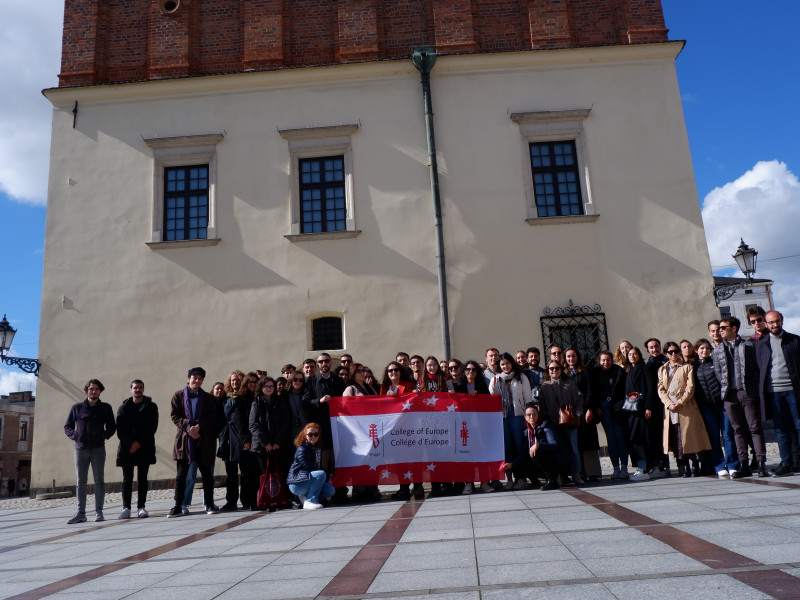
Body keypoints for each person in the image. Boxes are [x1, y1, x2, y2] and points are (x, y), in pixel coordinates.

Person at [712, 317, 768, 478]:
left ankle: (761, 462)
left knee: (754, 428)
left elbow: (757, 369)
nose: (720, 330)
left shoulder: (748, 345)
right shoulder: (717, 351)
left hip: (747, 392)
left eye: (723, 327)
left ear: (734, 328)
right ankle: (743, 463)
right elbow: (718, 373)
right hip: (729, 395)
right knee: (738, 430)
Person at [168, 367, 220, 517]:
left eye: (200, 378)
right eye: (194, 378)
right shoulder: (178, 395)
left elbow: (212, 417)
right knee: (182, 475)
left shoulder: (208, 398)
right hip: (184, 441)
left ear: (202, 381)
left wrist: (199, 427)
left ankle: (209, 504)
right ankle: (178, 505)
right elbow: (174, 416)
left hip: (203, 441)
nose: (197, 380)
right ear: (188, 379)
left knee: (207, 474)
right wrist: (188, 427)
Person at [64, 379, 116, 524]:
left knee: (99, 481)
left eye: (97, 389)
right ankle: (81, 513)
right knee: (81, 482)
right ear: (87, 390)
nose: (94, 391)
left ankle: (99, 512)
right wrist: (75, 436)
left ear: (100, 391)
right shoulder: (77, 407)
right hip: (80, 449)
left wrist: (103, 436)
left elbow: (112, 426)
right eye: (91, 389)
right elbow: (67, 426)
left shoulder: (105, 408)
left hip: (98, 449)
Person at [756, 311, 800, 476]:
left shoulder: (794, 341)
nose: (775, 325)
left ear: (782, 321)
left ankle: (797, 461)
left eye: (777, 321)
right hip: (773, 392)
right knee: (781, 429)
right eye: (771, 322)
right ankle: (786, 464)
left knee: (798, 425)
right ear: (766, 324)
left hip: (793, 390)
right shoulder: (761, 345)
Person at [658, 341, 711, 477]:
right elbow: (661, 389)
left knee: (691, 437)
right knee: (677, 439)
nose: (674, 354)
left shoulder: (687, 367)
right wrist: (668, 403)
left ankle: (695, 465)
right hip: (671, 409)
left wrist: (681, 402)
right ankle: (683, 466)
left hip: (686, 408)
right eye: (670, 352)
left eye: (676, 351)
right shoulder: (662, 369)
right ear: (666, 354)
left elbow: (690, 387)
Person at [303, 353, 347, 502]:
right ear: (318, 364)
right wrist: (319, 401)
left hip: (337, 427)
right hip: (319, 430)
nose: (324, 364)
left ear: (330, 363)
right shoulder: (311, 382)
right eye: (321, 361)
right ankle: (321, 493)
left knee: (337, 461)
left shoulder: (338, 381)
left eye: (327, 361)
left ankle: (340, 492)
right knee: (321, 463)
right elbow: (305, 402)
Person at [115, 379, 159, 519]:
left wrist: (138, 443)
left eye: (140, 387)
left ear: (143, 389)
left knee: (142, 478)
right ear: (131, 389)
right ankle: (126, 508)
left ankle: (141, 507)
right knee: (127, 479)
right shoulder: (123, 408)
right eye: (135, 387)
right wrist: (131, 443)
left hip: (144, 446)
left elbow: (152, 427)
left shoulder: (151, 406)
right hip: (127, 448)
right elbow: (120, 429)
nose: (138, 390)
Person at [489, 353, 533, 489]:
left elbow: (528, 397)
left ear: (512, 363)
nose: (505, 366)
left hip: (518, 415)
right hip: (502, 416)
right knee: (506, 447)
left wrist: (528, 416)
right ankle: (509, 479)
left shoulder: (521, 377)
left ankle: (521, 478)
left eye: (507, 363)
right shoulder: (495, 379)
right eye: (502, 364)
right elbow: (491, 398)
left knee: (520, 446)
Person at [250, 377, 292, 509]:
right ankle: (267, 501)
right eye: (266, 386)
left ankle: (280, 500)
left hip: (278, 445)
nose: (269, 388)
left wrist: (277, 441)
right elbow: (253, 425)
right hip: (261, 447)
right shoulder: (256, 403)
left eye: (271, 386)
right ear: (261, 388)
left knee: (279, 473)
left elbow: (286, 422)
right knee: (264, 475)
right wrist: (266, 443)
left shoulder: (279, 402)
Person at [540, 360, 584, 484]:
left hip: (569, 422)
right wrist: (546, 420)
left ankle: (576, 474)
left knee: (573, 449)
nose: (554, 370)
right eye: (551, 368)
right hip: (553, 422)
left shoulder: (569, 383)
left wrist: (577, 415)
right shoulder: (544, 386)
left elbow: (579, 399)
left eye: (557, 368)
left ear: (561, 369)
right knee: (556, 450)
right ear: (548, 371)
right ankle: (559, 475)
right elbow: (542, 405)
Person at [694, 338, 732, 478]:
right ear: (696, 350)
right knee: (714, 436)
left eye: (707, 348)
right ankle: (719, 465)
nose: (705, 351)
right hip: (706, 406)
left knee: (727, 434)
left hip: (721, 403)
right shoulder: (694, 366)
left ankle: (732, 464)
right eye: (702, 348)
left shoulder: (715, 362)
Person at [344, 364, 381, 502]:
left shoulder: (369, 387)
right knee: (360, 460)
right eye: (359, 371)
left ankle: (373, 488)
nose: (362, 373)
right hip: (358, 431)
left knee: (373, 459)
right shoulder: (350, 389)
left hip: (371, 429)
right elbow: (345, 409)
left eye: (363, 370)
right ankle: (360, 490)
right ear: (353, 374)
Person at [589, 351, 628, 479]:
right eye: (603, 360)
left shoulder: (619, 371)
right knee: (611, 439)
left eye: (608, 360)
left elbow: (625, 390)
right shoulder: (595, 373)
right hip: (604, 409)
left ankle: (624, 467)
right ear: (599, 361)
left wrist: (622, 406)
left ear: (612, 360)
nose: (606, 362)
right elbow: (593, 392)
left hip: (618, 408)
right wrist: (597, 406)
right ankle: (616, 467)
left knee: (620, 437)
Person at [218, 370, 252, 511]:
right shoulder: (225, 400)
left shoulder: (245, 399)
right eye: (233, 380)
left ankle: (246, 500)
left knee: (245, 472)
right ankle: (231, 501)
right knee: (231, 473)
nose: (235, 382)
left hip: (242, 438)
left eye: (238, 380)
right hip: (228, 440)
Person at [565, 347, 600, 481]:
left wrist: (590, 409)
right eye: (568, 356)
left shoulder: (585, 372)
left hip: (585, 411)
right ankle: (580, 472)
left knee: (589, 441)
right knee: (576, 443)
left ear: (578, 357)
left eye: (573, 356)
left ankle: (592, 472)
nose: (571, 359)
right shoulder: (564, 373)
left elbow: (590, 391)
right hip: (571, 413)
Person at [287, 422, 335, 510]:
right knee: (321, 474)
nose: (313, 436)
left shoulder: (315, 448)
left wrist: (328, 477)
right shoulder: (302, 449)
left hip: (308, 480)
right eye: (310, 434)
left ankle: (305, 497)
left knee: (330, 490)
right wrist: (327, 478)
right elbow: (310, 468)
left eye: (316, 434)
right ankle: (311, 501)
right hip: (297, 483)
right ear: (305, 435)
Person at [625, 347, 651, 481]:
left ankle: (644, 468)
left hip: (642, 409)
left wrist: (648, 407)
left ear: (639, 355)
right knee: (633, 438)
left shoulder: (644, 369)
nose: (632, 356)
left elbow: (649, 389)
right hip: (631, 410)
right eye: (630, 354)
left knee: (641, 438)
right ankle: (639, 467)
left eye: (635, 354)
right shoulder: (629, 370)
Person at [644, 338, 669, 477]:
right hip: (656, 405)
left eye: (656, 346)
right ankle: (661, 464)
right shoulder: (648, 365)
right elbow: (650, 388)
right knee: (657, 437)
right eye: (651, 347)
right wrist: (649, 407)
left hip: (670, 402)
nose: (654, 349)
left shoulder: (667, 361)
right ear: (648, 350)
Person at [523, 402, 561, 490]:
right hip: (536, 462)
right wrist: (512, 464)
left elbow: (554, 445)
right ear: (525, 417)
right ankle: (534, 480)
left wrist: (538, 445)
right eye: (529, 415)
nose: (531, 417)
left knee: (537, 452)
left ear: (538, 414)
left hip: (552, 459)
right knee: (523, 455)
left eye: (534, 414)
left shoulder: (546, 426)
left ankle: (552, 481)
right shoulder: (526, 431)